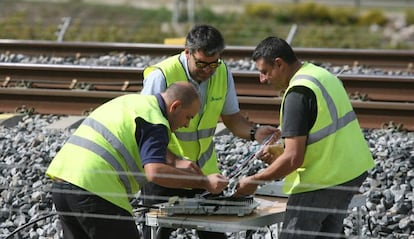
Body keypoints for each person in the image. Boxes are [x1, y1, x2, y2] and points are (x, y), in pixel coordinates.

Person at [139, 24, 278, 239]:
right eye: (202, 63)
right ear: (187, 52)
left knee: (214, 233)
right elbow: (144, 131)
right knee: (157, 234)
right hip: (166, 173)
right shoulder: (162, 76)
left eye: (213, 64)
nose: (208, 70)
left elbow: (232, 118)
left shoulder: (222, 73)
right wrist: (175, 162)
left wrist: (255, 133)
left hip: (204, 173)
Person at [46, 82, 229, 239]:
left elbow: (138, 141)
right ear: (175, 106)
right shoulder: (156, 122)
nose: (187, 124)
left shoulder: (134, 102)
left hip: (63, 183)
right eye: (188, 117)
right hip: (95, 190)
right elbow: (155, 172)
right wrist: (204, 182)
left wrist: (176, 161)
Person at [234, 36, 375, 239]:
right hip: (350, 173)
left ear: (279, 64)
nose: (262, 79)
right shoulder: (319, 74)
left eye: (264, 72)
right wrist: (281, 151)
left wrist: (255, 180)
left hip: (322, 180)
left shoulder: (297, 94)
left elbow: (293, 159)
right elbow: (323, 130)